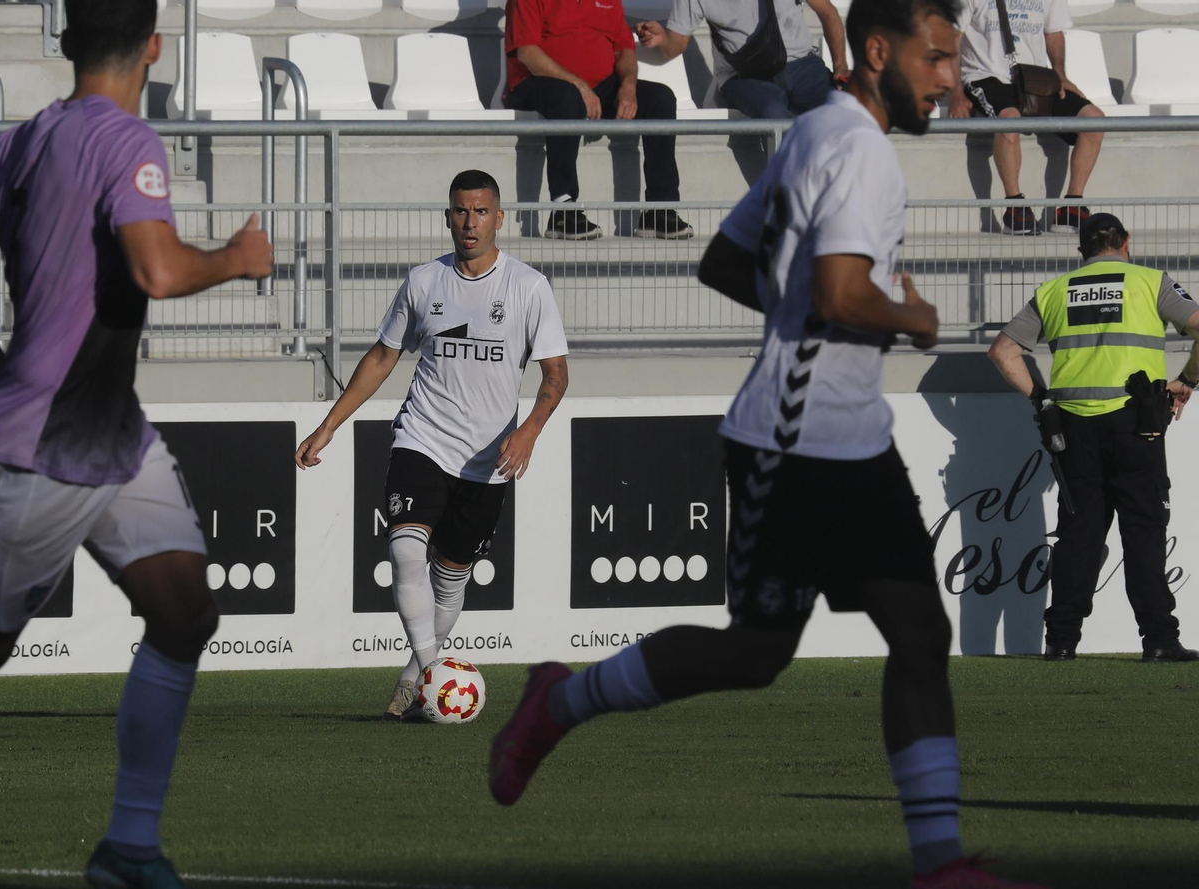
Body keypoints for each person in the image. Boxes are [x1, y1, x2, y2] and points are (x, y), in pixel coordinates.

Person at [489, 3, 1047, 887]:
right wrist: (910, 314)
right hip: (794, 443)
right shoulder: (859, 149)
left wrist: (816, 308)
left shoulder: (817, 126)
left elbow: (726, 261)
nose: (949, 76)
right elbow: (837, 291)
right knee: (757, 651)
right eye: (935, 57)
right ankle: (558, 698)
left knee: (914, 628)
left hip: (851, 437)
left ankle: (939, 862)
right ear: (876, 52)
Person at [0, 2, 273, 887]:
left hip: (111, 430)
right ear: (154, 46)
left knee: (184, 616)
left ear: (69, 43)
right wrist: (236, 256)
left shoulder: (24, 137)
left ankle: (129, 848)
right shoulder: (128, 141)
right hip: (44, 438)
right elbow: (155, 268)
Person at [295, 169, 569, 720]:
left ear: (500, 218)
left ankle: (414, 675)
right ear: (448, 217)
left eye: (482, 211)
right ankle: (434, 669)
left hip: (488, 461)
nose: (471, 222)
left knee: (449, 581)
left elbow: (556, 376)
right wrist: (329, 427)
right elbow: (381, 357)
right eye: (461, 211)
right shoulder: (424, 282)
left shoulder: (528, 287)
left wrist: (530, 429)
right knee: (403, 549)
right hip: (422, 438)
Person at [987, 214, 1199, 663]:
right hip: (1136, 422)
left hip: (1072, 428)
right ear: (1126, 243)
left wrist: (1042, 400)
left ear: (1080, 250)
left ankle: (1061, 642)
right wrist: (1188, 380)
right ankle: (1159, 639)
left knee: (1079, 536)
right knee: (1143, 531)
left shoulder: (1053, 291)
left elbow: (1003, 352)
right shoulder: (1149, 281)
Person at [502, 0, 692, 241]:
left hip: (597, 85)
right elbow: (528, 53)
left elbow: (624, 48)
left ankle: (660, 209)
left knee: (660, 98)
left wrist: (628, 86)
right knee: (566, 97)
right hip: (534, 82)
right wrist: (578, 85)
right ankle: (564, 210)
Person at [948, 0, 1102, 236]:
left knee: (1094, 119)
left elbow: (1054, 33)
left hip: (1034, 78)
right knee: (1010, 120)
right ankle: (1015, 207)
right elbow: (952, 38)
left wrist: (1060, 74)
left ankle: (1072, 205)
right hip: (985, 76)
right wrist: (956, 93)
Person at [636, 0, 848, 120]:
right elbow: (677, 44)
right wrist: (662, 39)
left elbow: (828, 13)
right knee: (772, 113)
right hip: (744, 77)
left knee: (844, 110)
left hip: (803, 65)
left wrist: (840, 64)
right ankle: (792, 189)